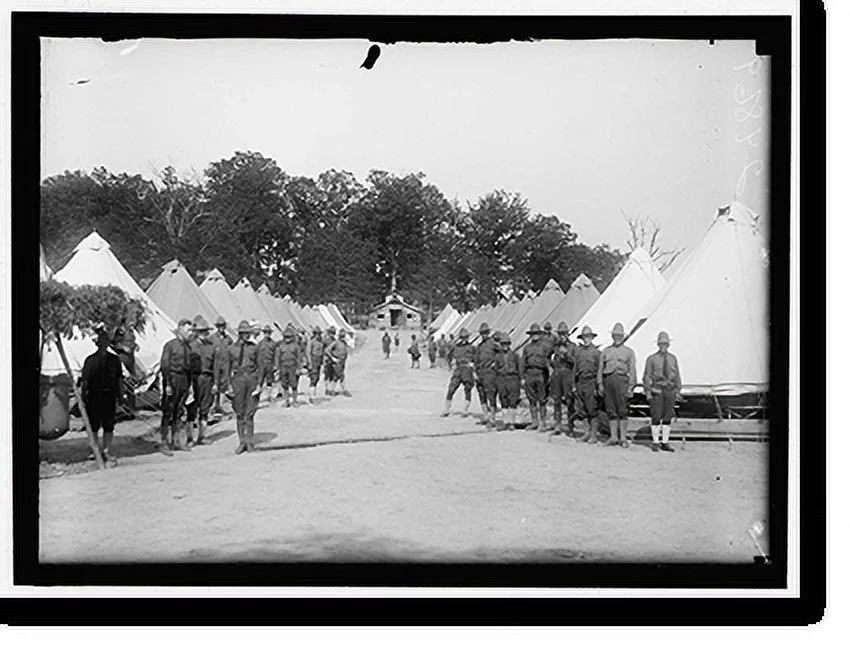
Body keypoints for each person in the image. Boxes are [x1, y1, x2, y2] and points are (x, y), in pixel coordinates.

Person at [80, 328, 123, 465]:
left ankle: (106, 450)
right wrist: (82, 397)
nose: (103, 344)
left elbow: (119, 379)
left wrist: (121, 397)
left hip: (110, 396)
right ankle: (95, 450)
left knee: (109, 425)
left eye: (106, 342)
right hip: (94, 396)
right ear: (98, 344)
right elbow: (85, 381)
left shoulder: (115, 360)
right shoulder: (90, 360)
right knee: (93, 425)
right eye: (102, 342)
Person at [597, 322, 637, 448]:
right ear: (612, 336)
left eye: (619, 335)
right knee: (611, 409)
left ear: (623, 336)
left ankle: (623, 437)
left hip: (622, 381)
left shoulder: (629, 352)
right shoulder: (605, 351)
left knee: (623, 409)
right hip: (608, 380)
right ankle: (613, 437)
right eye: (615, 335)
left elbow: (632, 370)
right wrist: (600, 384)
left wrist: (631, 386)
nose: (617, 337)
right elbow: (600, 369)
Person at [159, 318, 194, 455]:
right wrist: (167, 383)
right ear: (180, 329)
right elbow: (165, 364)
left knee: (178, 411)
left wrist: (189, 385)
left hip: (184, 380)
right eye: (188, 330)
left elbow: (190, 367)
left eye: (191, 330)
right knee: (168, 411)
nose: (190, 333)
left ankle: (176, 441)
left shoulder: (188, 347)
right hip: (172, 378)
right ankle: (163, 442)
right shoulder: (170, 345)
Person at [225, 320, 261, 454]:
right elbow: (227, 368)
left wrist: (259, 384)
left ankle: (250, 442)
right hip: (238, 380)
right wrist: (229, 384)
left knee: (250, 412)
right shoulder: (231, 349)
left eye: (248, 333)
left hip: (251, 379)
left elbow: (260, 366)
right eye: (243, 333)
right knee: (239, 412)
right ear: (239, 333)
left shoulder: (254, 348)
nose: (246, 335)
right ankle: (242, 442)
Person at [642, 331, 681, 453]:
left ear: (668, 344)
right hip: (657, 390)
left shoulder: (673, 358)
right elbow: (646, 376)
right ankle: (655, 442)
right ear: (658, 344)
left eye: (665, 343)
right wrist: (647, 391)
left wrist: (678, 390)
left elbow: (677, 375)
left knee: (668, 416)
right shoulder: (651, 359)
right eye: (661, 343)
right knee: (656, 415)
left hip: (670, 390)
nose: (663, 346)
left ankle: (665, 442)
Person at [185, 315, 217, 447]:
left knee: (205, 408)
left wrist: (215, 383)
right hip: (194, 379)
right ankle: (189, 438)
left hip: (207, 379)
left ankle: (202, 436)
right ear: (196, 332)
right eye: (201, 331)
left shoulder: (212, 347)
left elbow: (216, 366)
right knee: (191, 409)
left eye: (206, 331)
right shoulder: (190, 347)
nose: (204, 334)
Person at [574, 325, 602, 443]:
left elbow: (599, 370)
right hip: (580, 381)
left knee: (592, 409)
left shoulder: (597, 353)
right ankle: (587, 432)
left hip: (591, 382)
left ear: (592, 338)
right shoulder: (579, 352)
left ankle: (594, 435)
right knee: (582, 409)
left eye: (588, 337)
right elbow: (575, 368)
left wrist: (598, 385)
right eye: (585, 337)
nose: (586, 339)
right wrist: (574, 385)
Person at [549, 321, 578, 437]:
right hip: (557, 373)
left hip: (567, 373)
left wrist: (566, 354)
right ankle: (557, 425)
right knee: (556, 400)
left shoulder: (572, 347)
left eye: (564, 333)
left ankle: (570, 426)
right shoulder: (554, 346)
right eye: (560, 333)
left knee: (569, 401)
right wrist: (551, 368)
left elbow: (576, 362)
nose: (562, 335)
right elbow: (547, 358)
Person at [440, 328, 475, 417]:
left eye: (466, 337)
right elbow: (448, 356)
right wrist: (451, 365)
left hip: (467, 369)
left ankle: (465, 410)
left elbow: (477, 358)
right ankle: (446, 409)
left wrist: (474, 367)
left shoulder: (472, 348)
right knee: (451, 389)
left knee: (467, 389)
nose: (464, 339)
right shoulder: (456, 347)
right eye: (462, 337)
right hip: (458, 369)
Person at [522, 323, 550, 431]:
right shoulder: (527, 348)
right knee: (531, 399)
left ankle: (543, 423)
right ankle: (535, 422)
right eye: (533, 334)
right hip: (530, 373)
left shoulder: (545, 347)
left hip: (541, 373)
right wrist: (522, 377)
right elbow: (523, 362)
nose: (535, 335)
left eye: (537, 333)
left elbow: (549, 360)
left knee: (542, 399)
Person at [492, 331, 523, 430]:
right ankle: (505, 422)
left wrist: (521, 379)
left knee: (513, 400)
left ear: (509, 344)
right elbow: (496, 369)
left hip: (513, 378)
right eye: (503, 344)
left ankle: (511, 423)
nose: (505, 346)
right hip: (501, 378)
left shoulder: (515, 355)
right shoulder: (497, 357)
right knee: (503, 400)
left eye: (506, 344)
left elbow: (520, 368)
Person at [474, 322, 500, 426]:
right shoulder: (479, 346)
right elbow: (476, 360)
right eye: (482, 333)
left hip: (490, 373)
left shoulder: (493, 344)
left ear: (488, 333)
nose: (484, 335)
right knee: (482, 395)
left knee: (491, 395)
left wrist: (496, 363)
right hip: (480, 373)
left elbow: (502, 353)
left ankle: (492, 418)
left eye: (485, 333)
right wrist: (475, 372)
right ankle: (485, 416)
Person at [275, 325, 306, 408]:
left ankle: (295, 401)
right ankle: (286, 401)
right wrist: (277, 368)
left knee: (294, 385)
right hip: (283, 367)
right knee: (284, 385)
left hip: (293, 367)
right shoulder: (280, 346)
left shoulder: (296, 346)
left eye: (289, 337)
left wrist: (299, 368)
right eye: (286, 337)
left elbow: (299, 358)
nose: (287, 338)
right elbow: (277, 357)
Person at [209, 316, 233, 415]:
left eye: (222, 326)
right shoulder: (212, 338)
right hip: (215, 363)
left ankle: (220, 406)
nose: (221, 328)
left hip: (226, 363)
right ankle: (213, 406)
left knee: (224, 384)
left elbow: (231, 351)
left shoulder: (228, 339)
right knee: (215, 384)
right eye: (219, 326)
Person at [325, 330, 351, 396]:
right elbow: (327, 350)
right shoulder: (336, 342)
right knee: (341, 376)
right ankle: (344, 390)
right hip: (337, 362)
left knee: (336, 377)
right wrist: (333, 358)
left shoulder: (344, 343)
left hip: (342, 362)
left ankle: (330, 390)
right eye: (342, 336)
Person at [256, 324, 278, 403]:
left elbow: (276, 355)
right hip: (261, 364)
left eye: (268, 333)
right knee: (259, 382)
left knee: (270, 381)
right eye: (265, 333)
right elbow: (257, 355)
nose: (267, 334)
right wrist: (257, 365)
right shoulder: (260, 343)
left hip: (270, 364)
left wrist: (276, 365)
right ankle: (257, 398)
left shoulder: (273, 344)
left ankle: (270, 396)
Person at [306, 327, 325, 403]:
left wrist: (323, 362)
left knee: (317, 378)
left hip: (319, 360)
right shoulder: (311, 342)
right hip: (313, 360)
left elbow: (322, 353)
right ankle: (311, 396)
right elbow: (308, 353)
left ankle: (313, 393)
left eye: (320, 334)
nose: (319, 335)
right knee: (313, 378)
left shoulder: (321, 343)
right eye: (317, 334)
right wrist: (310, 363)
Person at [322, 326, 337, 396]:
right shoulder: (332, 340)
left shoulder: (326, 339)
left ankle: (328, 389)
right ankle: (329, 389)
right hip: (328, 358)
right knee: (330, 374)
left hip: (326, 358)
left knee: (328, 375)